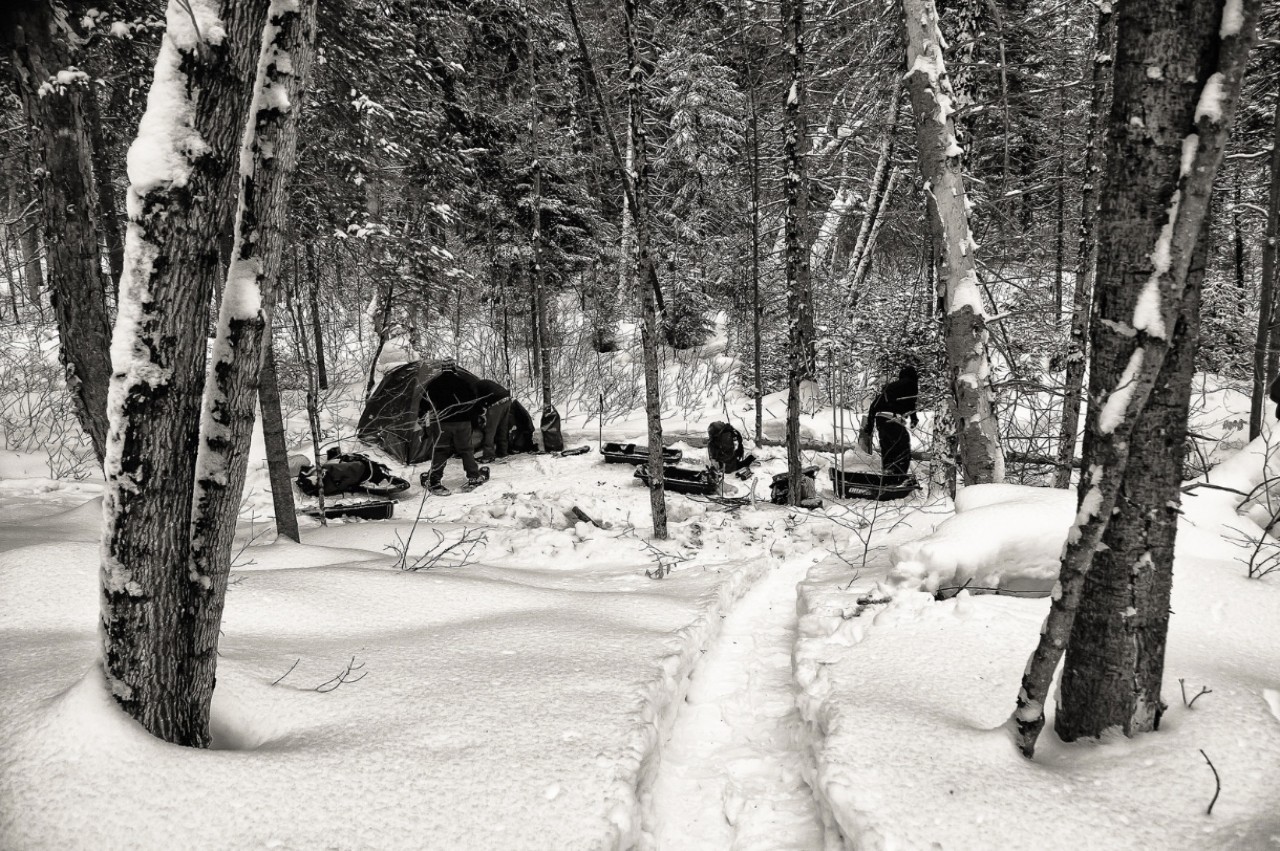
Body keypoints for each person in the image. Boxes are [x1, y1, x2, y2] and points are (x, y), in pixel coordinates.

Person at [420, 361, 485, 495]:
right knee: (466, 449)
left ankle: (434, 480)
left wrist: (421, 418)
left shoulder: (434, 383)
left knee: (440, 450)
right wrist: (476, 418)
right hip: (463, 422)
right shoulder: (464, 382)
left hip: (442, 422)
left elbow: (424, 403)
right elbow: (474, 401)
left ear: (442, 368)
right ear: (454, 368)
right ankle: (473, 476)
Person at [859, 365, 919, 476]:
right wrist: (914, 418)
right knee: (903, 448)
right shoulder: (911, 384)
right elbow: (911, 402)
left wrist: (870, 426)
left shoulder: (890, 388)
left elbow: (874, 405)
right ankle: (898, 476)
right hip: (893, 420)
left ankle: (888, 474)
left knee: (887, 449)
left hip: (880, 420)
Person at [474, 378, 513, 463]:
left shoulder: (475, 387)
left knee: (490, 430)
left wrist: (480, 413)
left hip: (496, 403)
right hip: (507, 399)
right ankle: (502, 452)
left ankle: (488, 455)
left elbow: (478, 402)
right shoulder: (484, 383)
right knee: (502, 427)